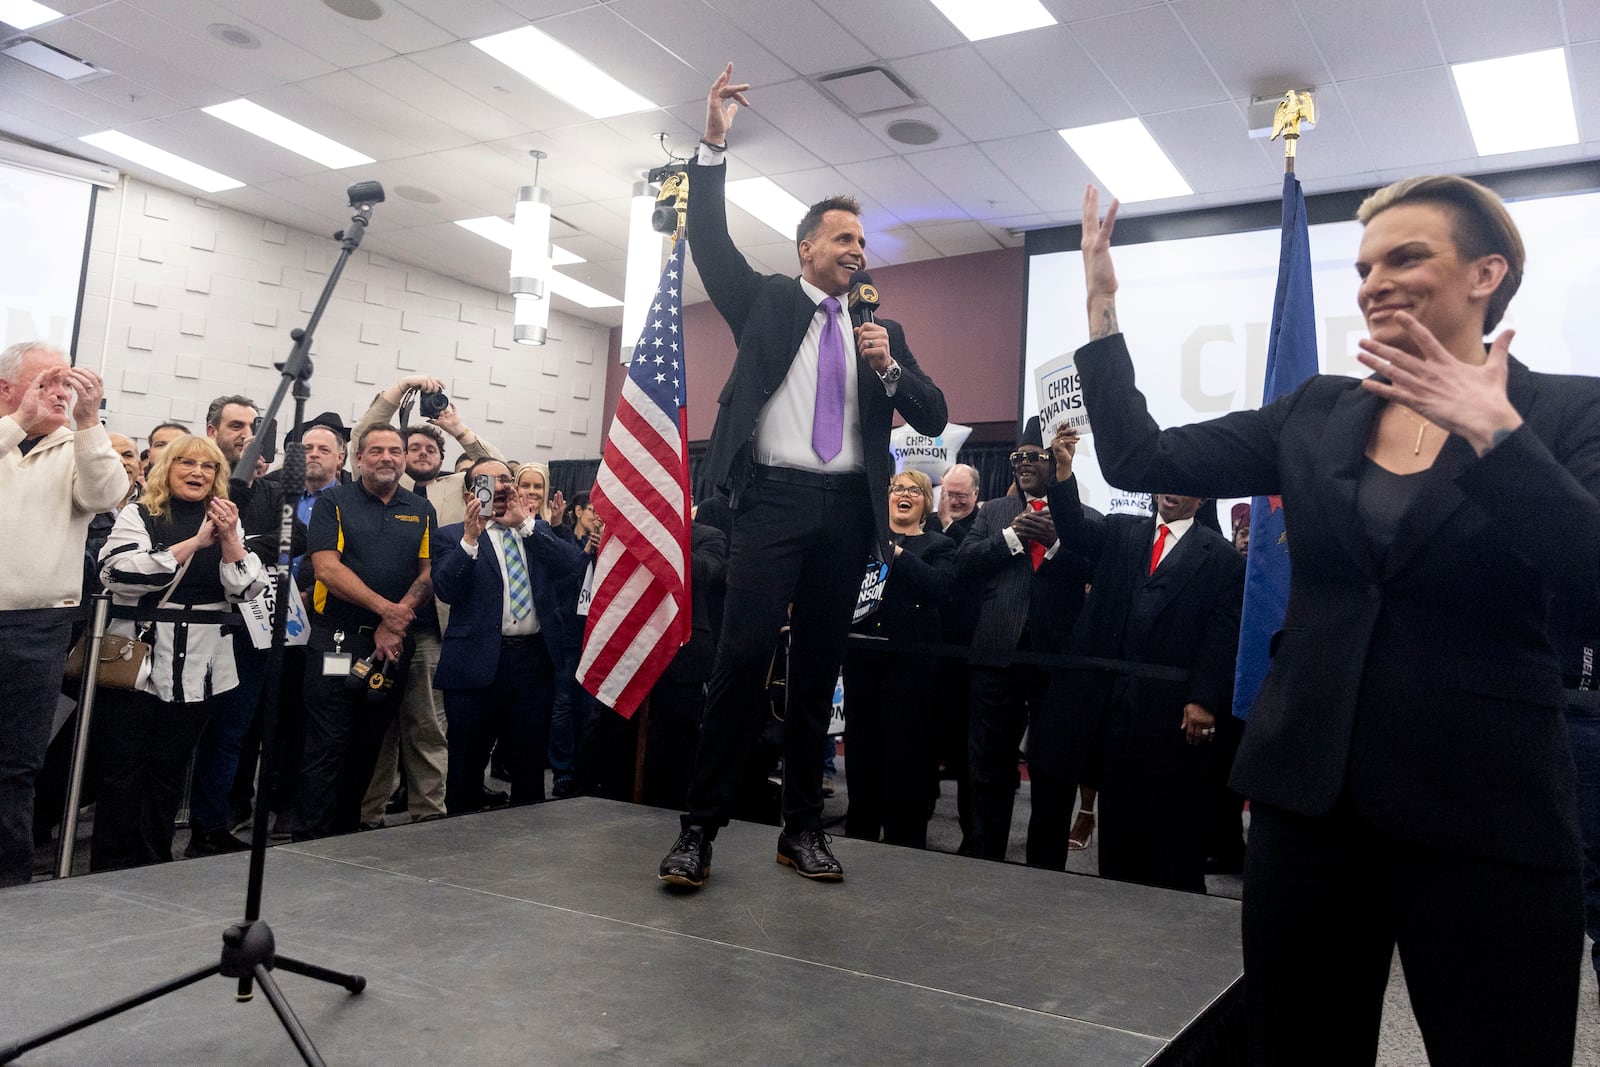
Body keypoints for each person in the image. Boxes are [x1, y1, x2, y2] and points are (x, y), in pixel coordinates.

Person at [1076, 177, 1599, 1063]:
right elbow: (1139, 457)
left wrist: (1496, 438)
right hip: (1309, 805)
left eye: (1405, 257)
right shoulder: (1317, 410)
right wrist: (1101, 307)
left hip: (1487, 810)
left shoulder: (1567, 411)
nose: (1373, 283)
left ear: (1487, 272)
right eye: (1363, 268)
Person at [658, 64, 948, 889]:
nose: (858, 251)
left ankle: (799, 830)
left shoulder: (878, 329)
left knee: (819, 668)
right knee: (743, 659)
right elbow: (710, 244)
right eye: (844, 239)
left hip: (845, 515)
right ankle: (698, 831)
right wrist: (713, 143)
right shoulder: (772, 303)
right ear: (808, 248)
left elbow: (931, 414)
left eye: (863, 241)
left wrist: (889, 368)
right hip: (772, 503)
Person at [1028, 425, 1244, 888]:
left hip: (1173, 712)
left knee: (1171, 821)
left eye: (1184, 484)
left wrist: (1203, 697)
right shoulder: (1123, 532)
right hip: (1114, 705)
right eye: (1166, 479)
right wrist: (1062, 475)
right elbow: (1076, 531)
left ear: (1201, 499)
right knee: (1119, 815)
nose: (1172, 491)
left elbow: (1222, 634)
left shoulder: (1224, 559)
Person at [90, 435, 266, 870]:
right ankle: (110, 863)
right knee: (122, 767)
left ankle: (153, 860)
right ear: (166, 468)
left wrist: (228, 539)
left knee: (169, 769)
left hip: (200, 665)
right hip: (138, 658)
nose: (197, 473)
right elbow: (116, 572)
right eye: (186, 463)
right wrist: (193, 544)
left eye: (207, 467)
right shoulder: (141, 513)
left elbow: (248, 588)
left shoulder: (226, 518)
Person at [352, 380, 504, 828]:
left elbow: (494, 467)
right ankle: (369, 815)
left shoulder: (459, 491)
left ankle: (428, 816)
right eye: (409, 447)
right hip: (375, 623)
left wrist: (458, 428)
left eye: (427, 448)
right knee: (377, 729)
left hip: (432, 630)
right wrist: (394, 394)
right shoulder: (379, 487)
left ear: (439, 458)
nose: (418, 454)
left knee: (428, 729)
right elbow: (364, 435)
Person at [0, 341, 124, 886]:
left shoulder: (77, 444)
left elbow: (107, 495)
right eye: (45, 382)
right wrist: (15, 425)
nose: (59, 392)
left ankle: (8, 882)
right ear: (6, 388)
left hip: (37, 626)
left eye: (65, 383)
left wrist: (90, 421)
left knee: (17, 766)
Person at [954, 419, 1093, 861]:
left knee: (1052, 768)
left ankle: (1046, 864)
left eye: (1035, 456)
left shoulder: (1082, 519)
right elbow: (965, 563)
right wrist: (1013, 537)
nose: (1024, 464)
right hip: (996, 654)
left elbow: (1097, 571)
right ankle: (984, 854)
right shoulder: (992, 512)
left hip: (1055, 659)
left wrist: (1055, 544)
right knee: (988, 766)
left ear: (1054, 463)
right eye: (1018, 457)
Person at [294, 424, 436, 839]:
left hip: (391, 647)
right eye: (376, 451)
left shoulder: (420, 509)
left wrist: (396, 621)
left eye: (395, 450)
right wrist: (386, 613)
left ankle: (343, 837)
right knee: (326, 744)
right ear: (358, 459)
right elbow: (327, 569)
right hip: (335, 640)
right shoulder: (334, 502)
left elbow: (425, 575)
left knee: (368, 744)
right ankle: (309, 838)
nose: (387, 458)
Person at [432, 459, 586, 811]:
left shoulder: (536, 531)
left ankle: (525, 846)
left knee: (530, 764)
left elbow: (574, 566)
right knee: (466, 764)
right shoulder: (452, 535)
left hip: (533, 663)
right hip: (474, 664)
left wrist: (526, 525)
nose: (501, 486)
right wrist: (472, 537)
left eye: (506, 478)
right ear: (472, 492)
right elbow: (445, 589)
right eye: (489, 480)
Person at [843, 470, 954, 848]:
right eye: (897, 489)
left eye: (914, 491)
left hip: (911, 670)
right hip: (862, 663)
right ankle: (858, 836)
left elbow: (941, 588)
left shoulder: (938, 545)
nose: (904, 495)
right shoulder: (862, 543)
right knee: (861, 756)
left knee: (905, 760)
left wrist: (898, 554)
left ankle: (905, 846)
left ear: (925, 505)